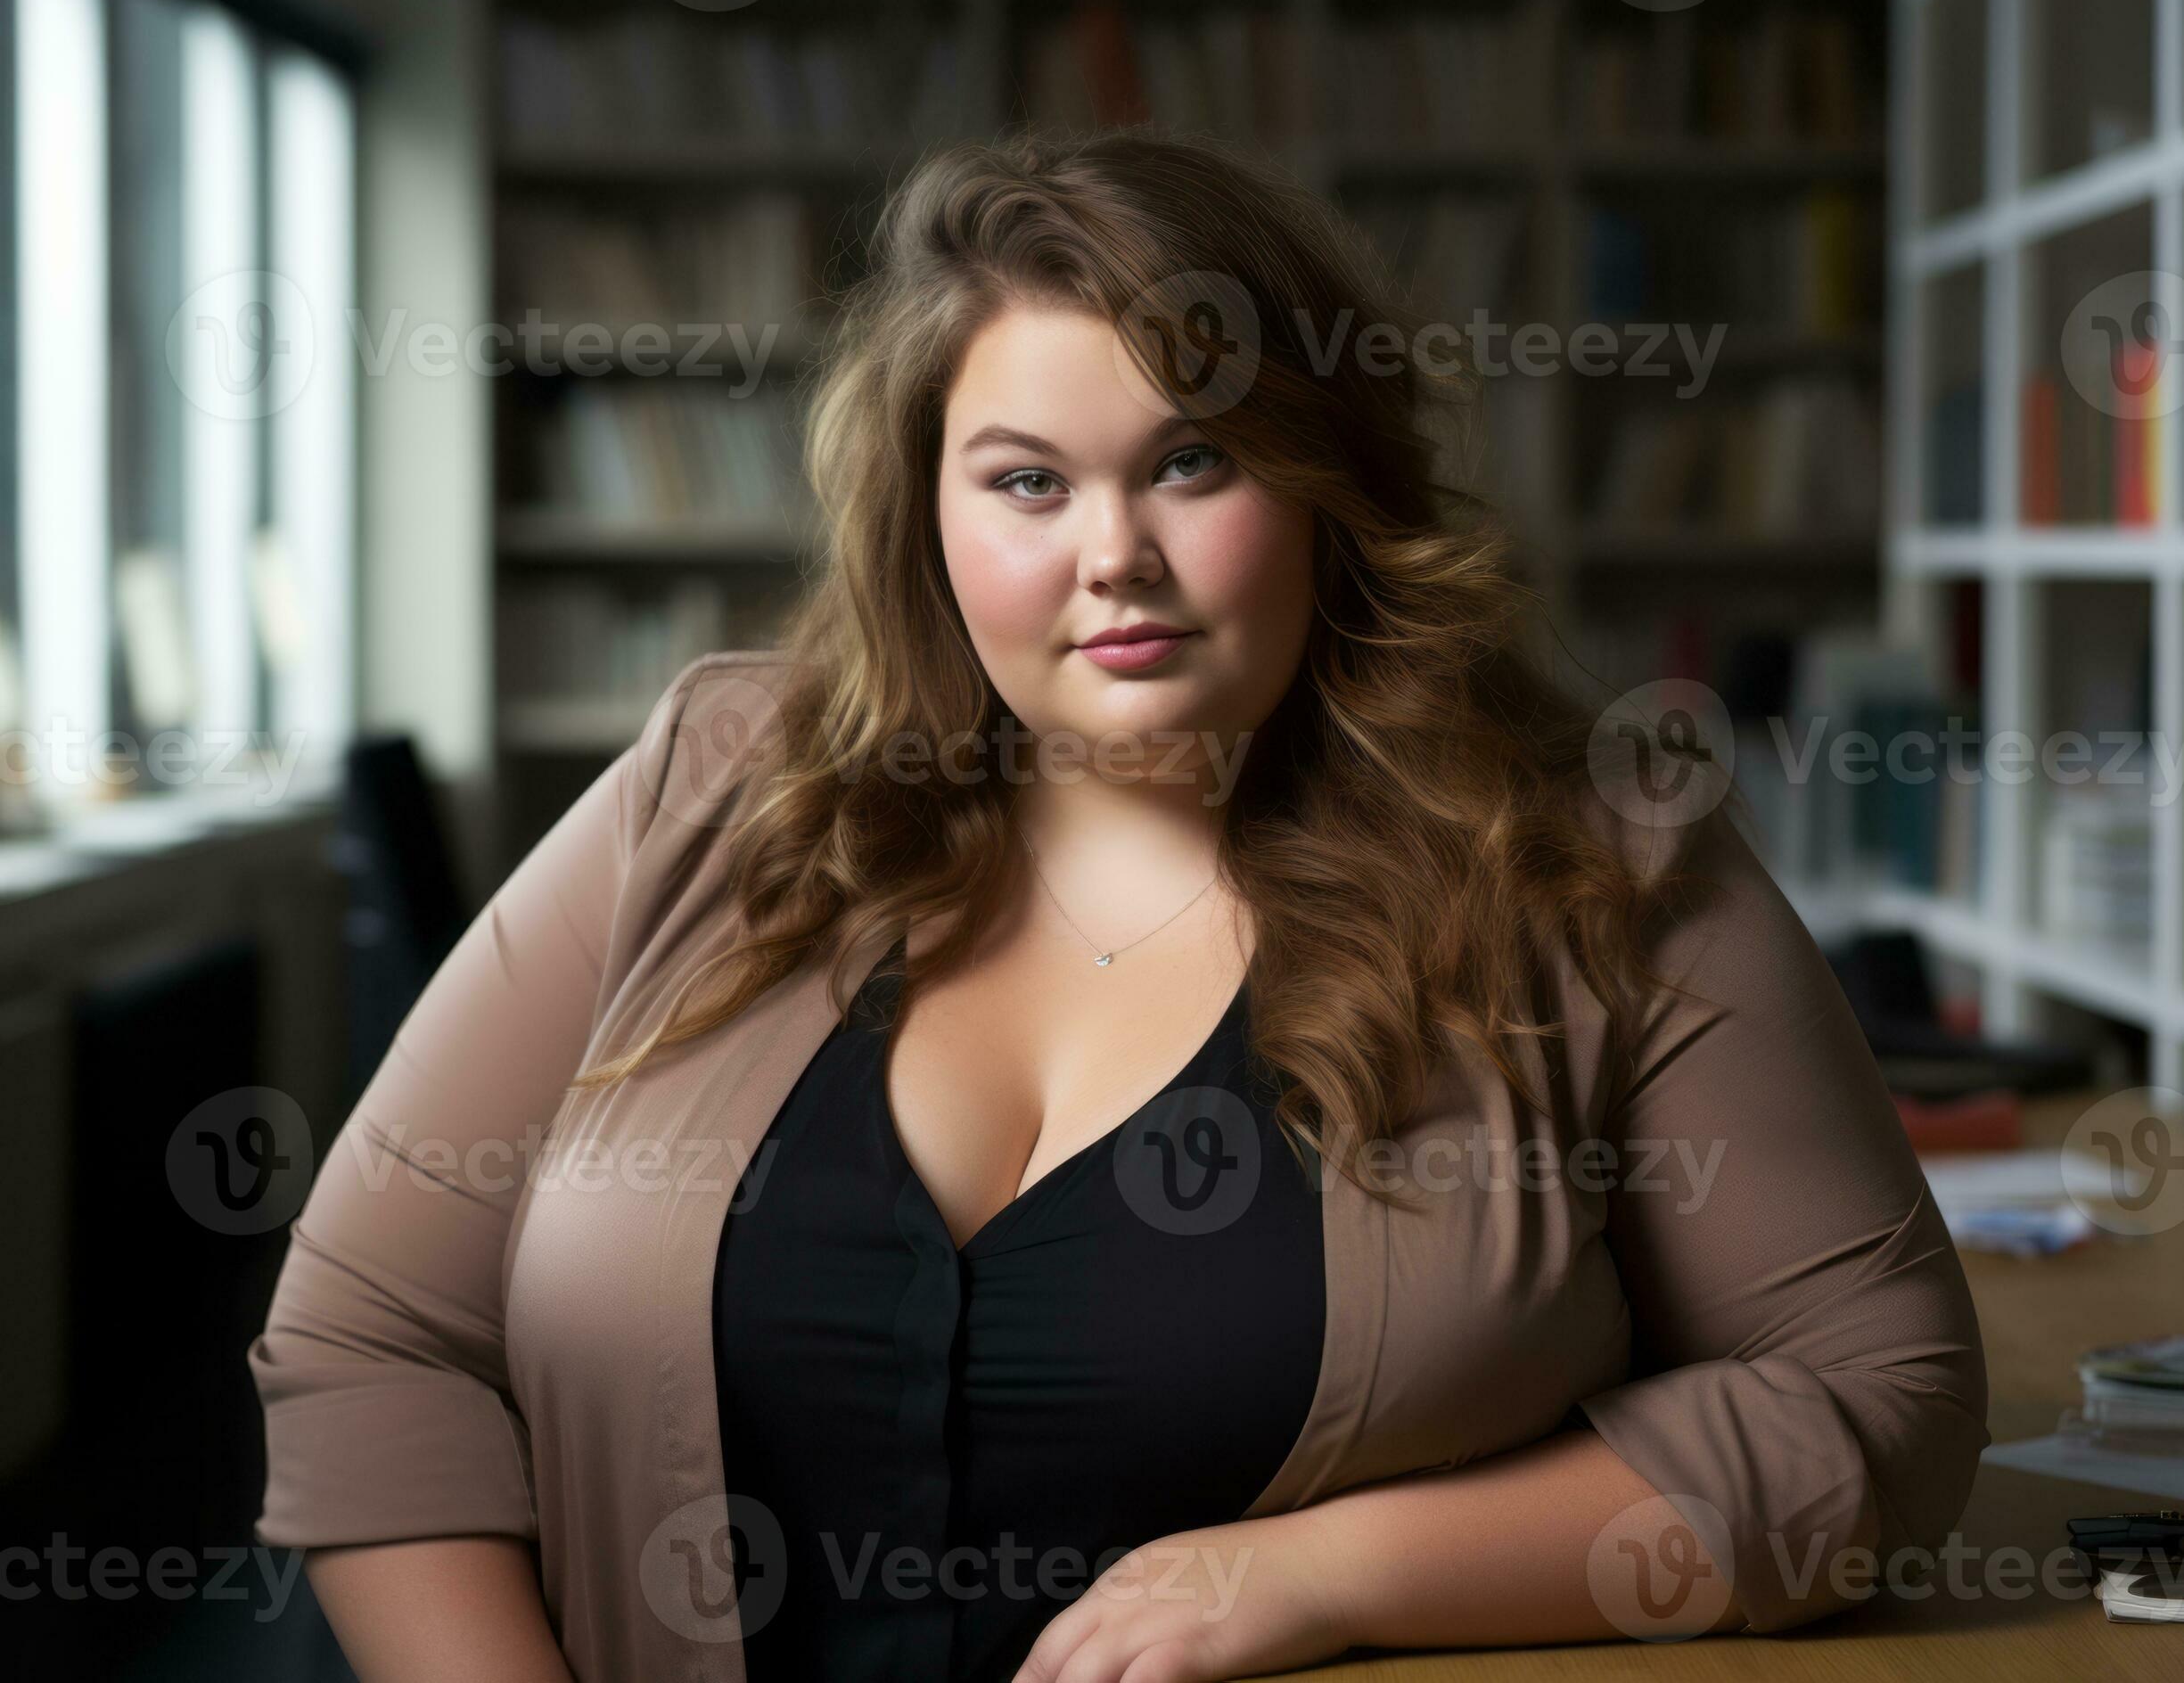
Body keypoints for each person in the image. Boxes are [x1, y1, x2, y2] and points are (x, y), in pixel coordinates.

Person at [248, 124, 1989, 1683]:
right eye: (1025, 480)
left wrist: (1328, 1572)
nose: (1110, 557)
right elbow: (370, 1341)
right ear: (923, 512)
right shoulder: (715, 779)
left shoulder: (1596, 851)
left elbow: (1873, 1399)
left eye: (1189, 463)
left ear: (1328, 483)